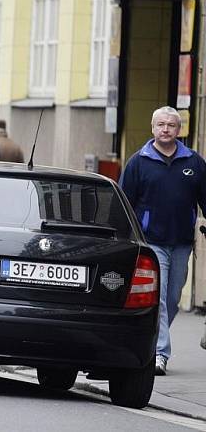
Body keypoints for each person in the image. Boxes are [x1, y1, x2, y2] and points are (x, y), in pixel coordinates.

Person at [119, 106, 206, 375]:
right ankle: (159, 353)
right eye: (160, 124)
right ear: (152, 128)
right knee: (160, 298)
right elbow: (124, 201)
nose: (165, 129)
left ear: (179, 130)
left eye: (170, 125)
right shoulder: (138, 161)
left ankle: (152, 337)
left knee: (173, 296)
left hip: (181, 241)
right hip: (151, 241)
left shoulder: (193, 162)